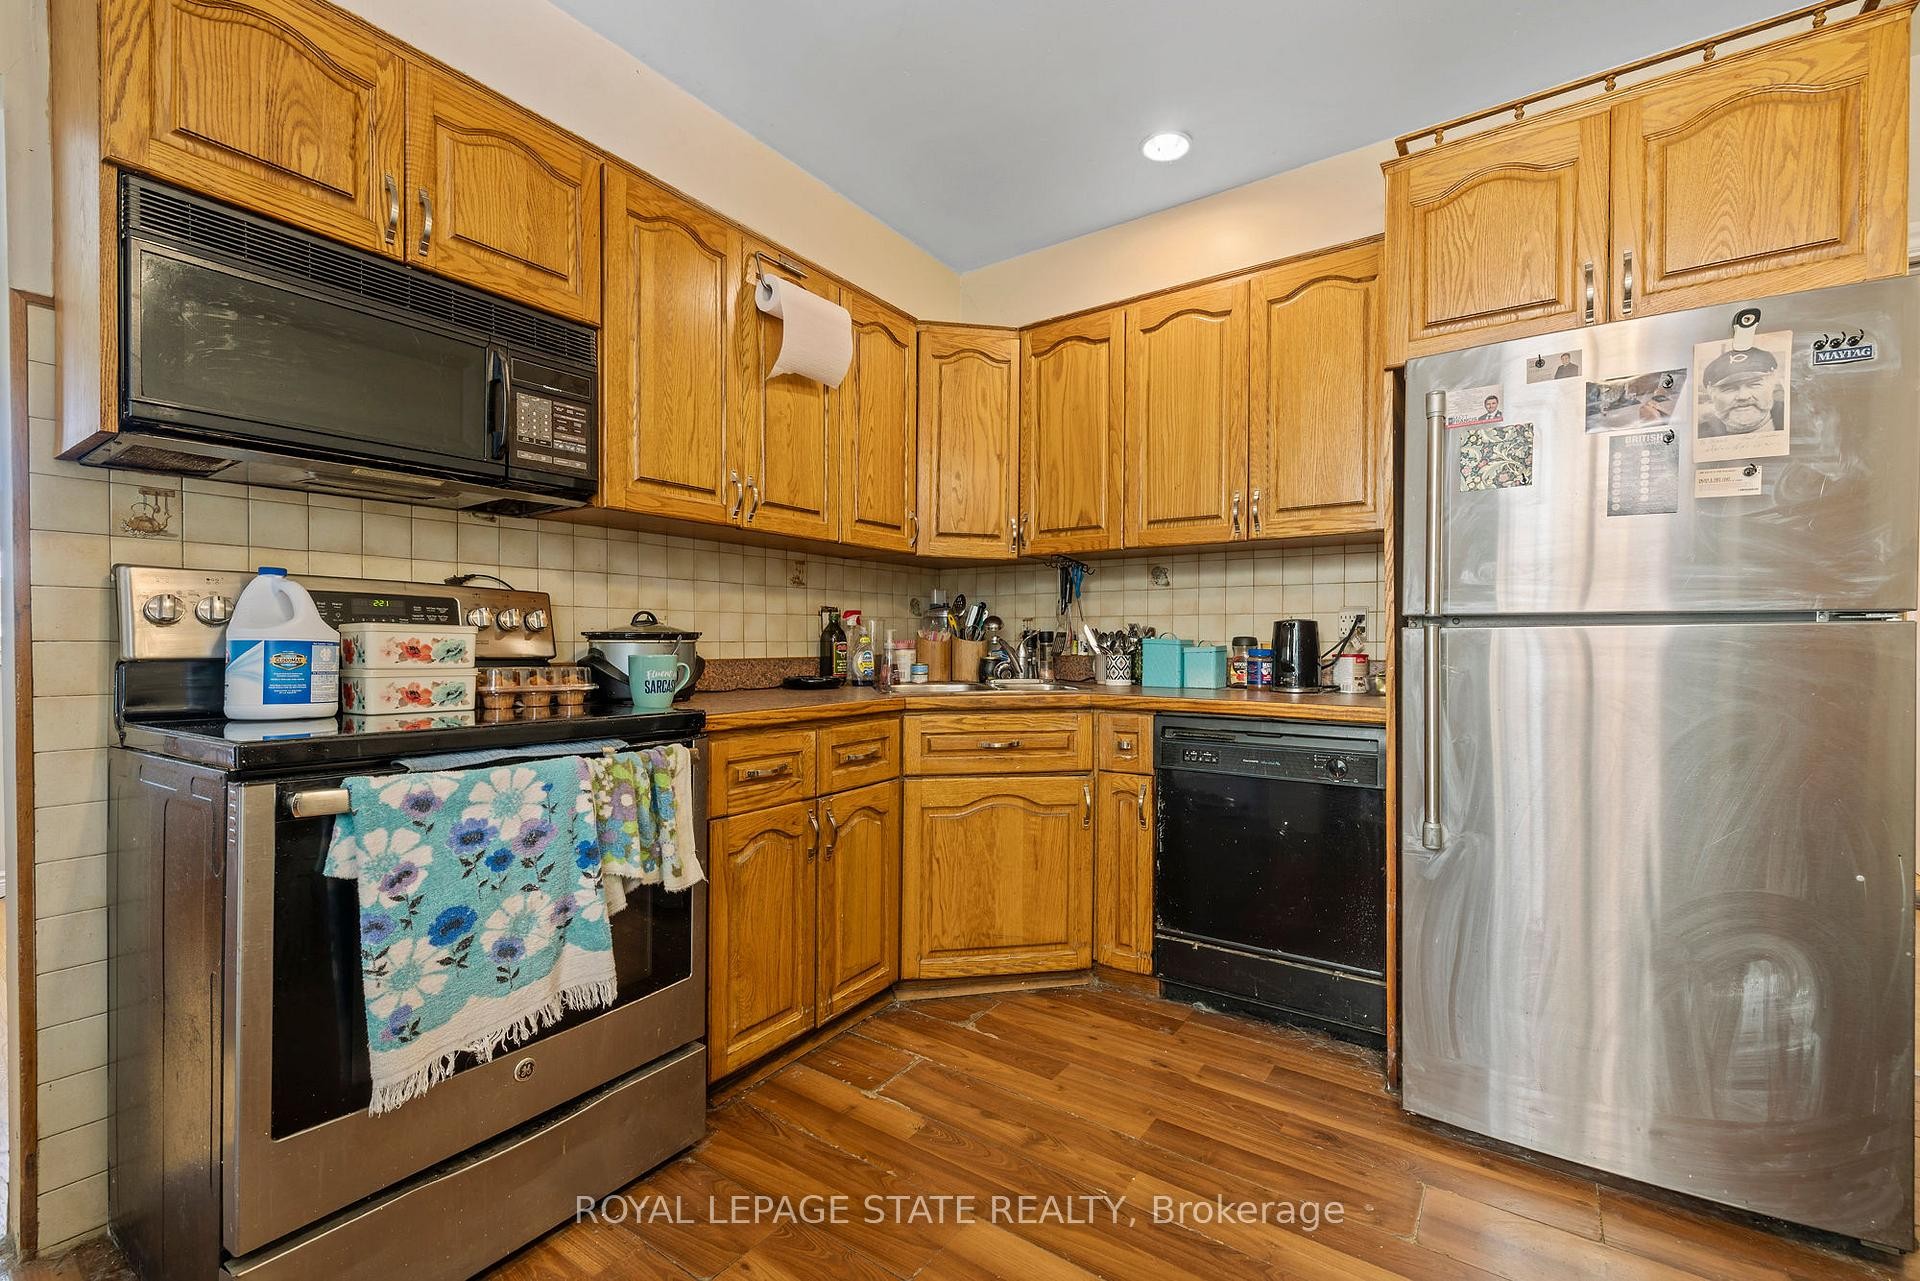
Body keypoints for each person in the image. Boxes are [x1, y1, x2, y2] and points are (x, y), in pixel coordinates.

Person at [1697, 346, 1785, 437]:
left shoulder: (1793, 419)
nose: (1743, 396)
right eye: (1729, 388)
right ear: (1711, 393)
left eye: (1754, 384)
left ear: (1772, 384)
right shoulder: (1698, 434)